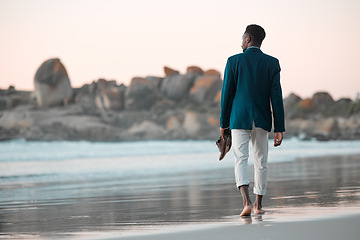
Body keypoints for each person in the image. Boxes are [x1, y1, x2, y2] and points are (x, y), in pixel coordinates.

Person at [219, 24, 285, 216]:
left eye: (242, 38)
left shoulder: (233, 61)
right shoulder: (272, 63)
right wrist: (279, 127)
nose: (241, 42)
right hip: (262, 119)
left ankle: (246, 203)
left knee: (240, 159)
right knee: (261, 161)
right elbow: (276, 98)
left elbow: (227, 96)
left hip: (239, 118)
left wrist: (224, 124)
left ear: (248, 39)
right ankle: (258, 205)